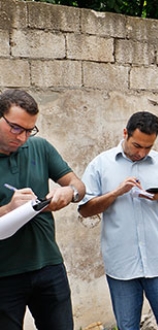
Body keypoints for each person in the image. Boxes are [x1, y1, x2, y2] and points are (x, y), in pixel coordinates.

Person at [78, 111, 158, 330]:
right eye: (137, 145)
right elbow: (85, 210)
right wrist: (115, 193)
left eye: (148, 147)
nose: (142, 152)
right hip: (121, 265)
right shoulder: (101, 164)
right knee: (127, 326)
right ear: (125, 133)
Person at [0, 89, 86, 330]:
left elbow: (78, 185)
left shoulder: (40, 148)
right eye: (16, 128)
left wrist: (69, 194)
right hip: (4, 274)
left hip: (48, 265)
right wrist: (8, 208)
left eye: (30, 130)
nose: (22, 138)